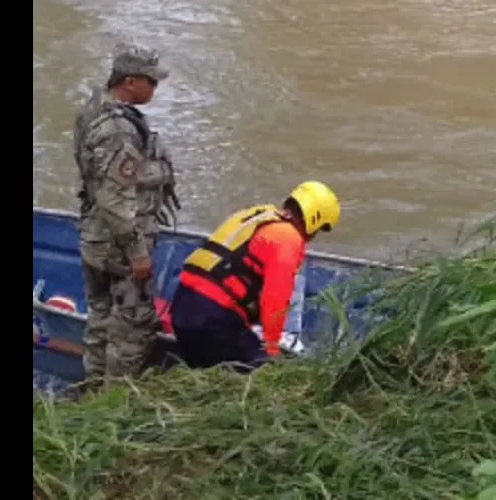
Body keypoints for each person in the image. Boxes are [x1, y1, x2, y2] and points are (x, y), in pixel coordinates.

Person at [73, 42, 181, 384]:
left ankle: (91, 390)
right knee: (132, 327)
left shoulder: (94, 109)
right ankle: (116, 402)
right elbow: (116, 198)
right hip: (119, 245)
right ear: (130, 81)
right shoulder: (119, 130)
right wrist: (138, 253)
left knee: (100, 318)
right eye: (151, 81)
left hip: (94, 237)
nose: (155, 88)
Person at [169, 181, 341, 372]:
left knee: (205, 367)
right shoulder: (288, 239)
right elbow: (275, 299)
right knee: (258, 372)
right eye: (319, 230)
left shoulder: (258, 215)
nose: (314, 236)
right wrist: (271, 350)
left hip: (181, 306)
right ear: (314, 220)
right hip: (212, 318)